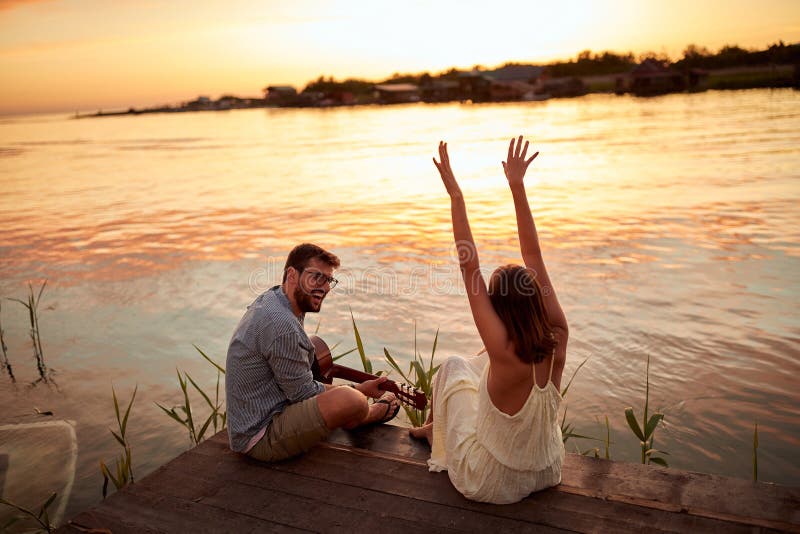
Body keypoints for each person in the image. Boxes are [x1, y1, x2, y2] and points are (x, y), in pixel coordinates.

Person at [410, 136, 568, 504]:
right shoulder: (559, 336)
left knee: (452, 366)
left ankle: (435, 432)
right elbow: (533, 253)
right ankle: (435, 430)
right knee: (472, 366)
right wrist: (517, 185)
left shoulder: (502, 350)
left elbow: (469, 266)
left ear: (497, 307)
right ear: (535, 300)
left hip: (493, 483)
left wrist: (456, 197)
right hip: (548, 471)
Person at [226, 243, 400, 462]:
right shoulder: (282, 325)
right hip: (261, 438)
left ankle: (356, 408)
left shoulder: (274, 299)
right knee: (352, 401)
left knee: (350, 394)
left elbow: (300, 384)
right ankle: (370, 414)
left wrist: (359, 387)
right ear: (292, 274)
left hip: (252, 421)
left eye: (328, 280)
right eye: (317, 277)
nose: (325, 287)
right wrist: (358, 395)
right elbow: (303, 394)